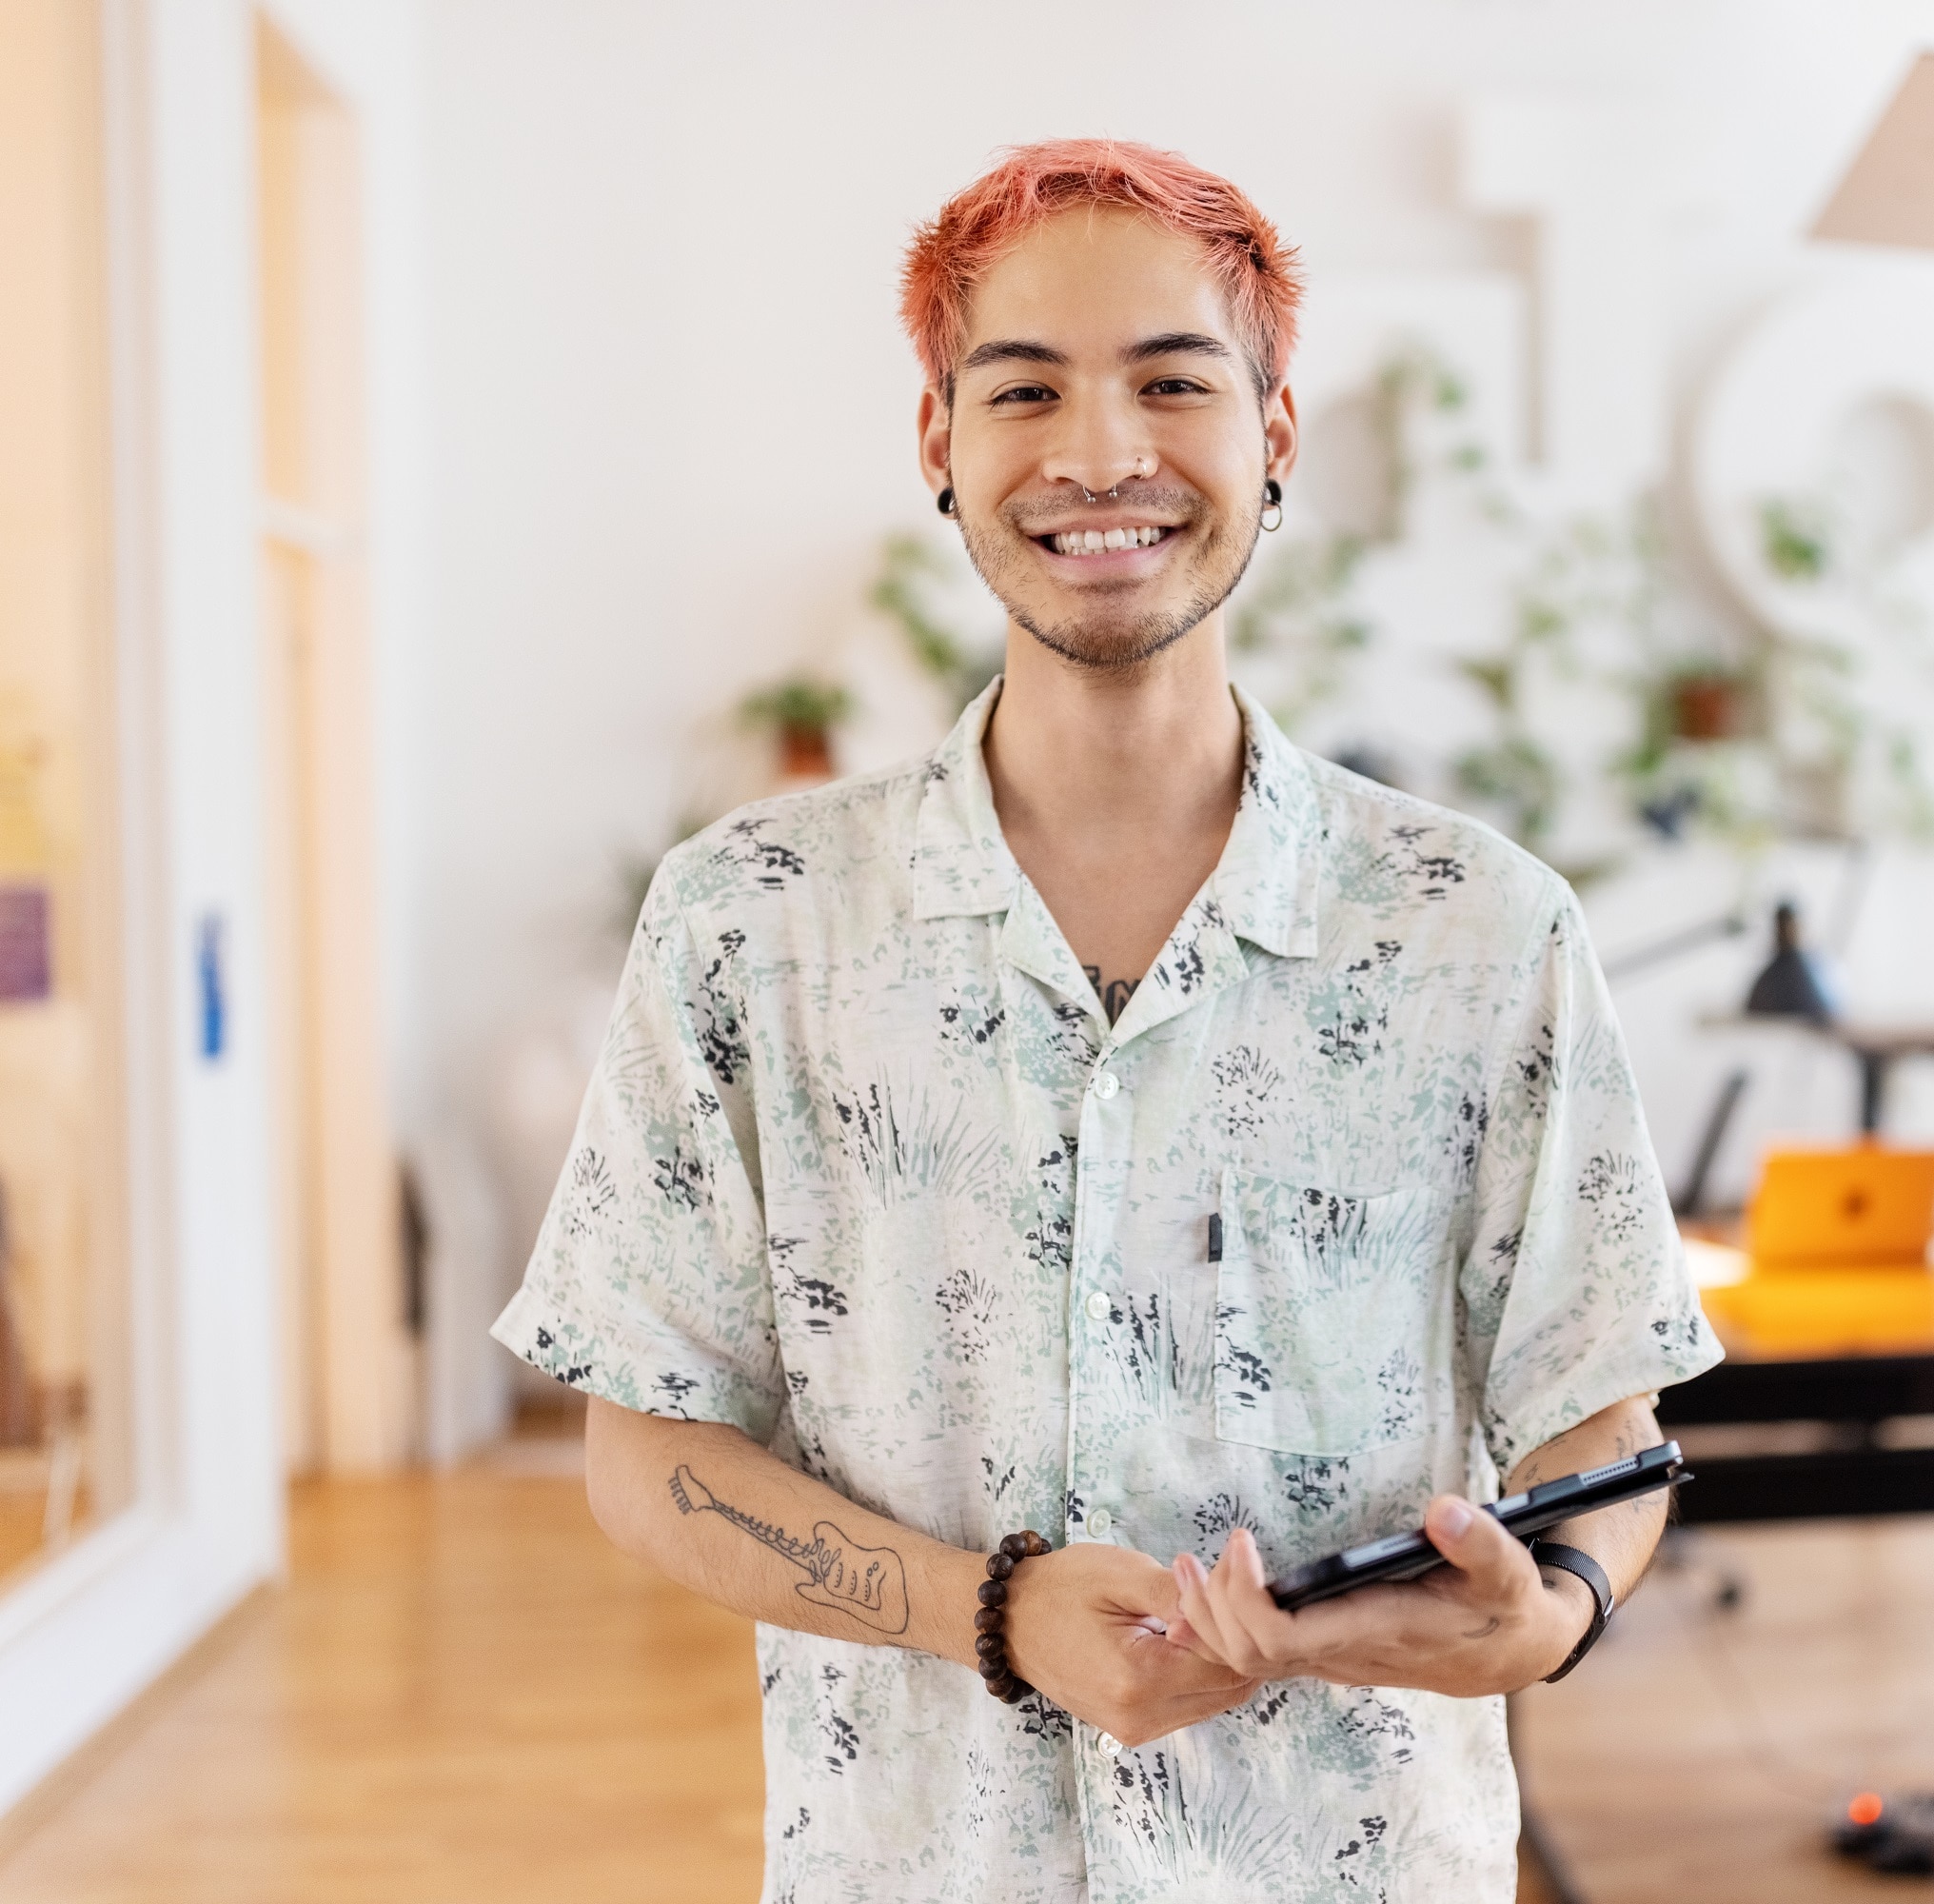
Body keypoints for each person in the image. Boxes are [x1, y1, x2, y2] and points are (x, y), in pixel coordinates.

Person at [493, 138, 1719, 1902]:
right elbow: (649, 1451)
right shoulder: (747, 921)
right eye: (1024, 390)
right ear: (940, 444)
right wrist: (988, 1613)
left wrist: (1559, 1608)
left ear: (1273, 437)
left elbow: (1604, 1416)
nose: (1100, 456)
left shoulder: (1481, 927)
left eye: (1171, 381)